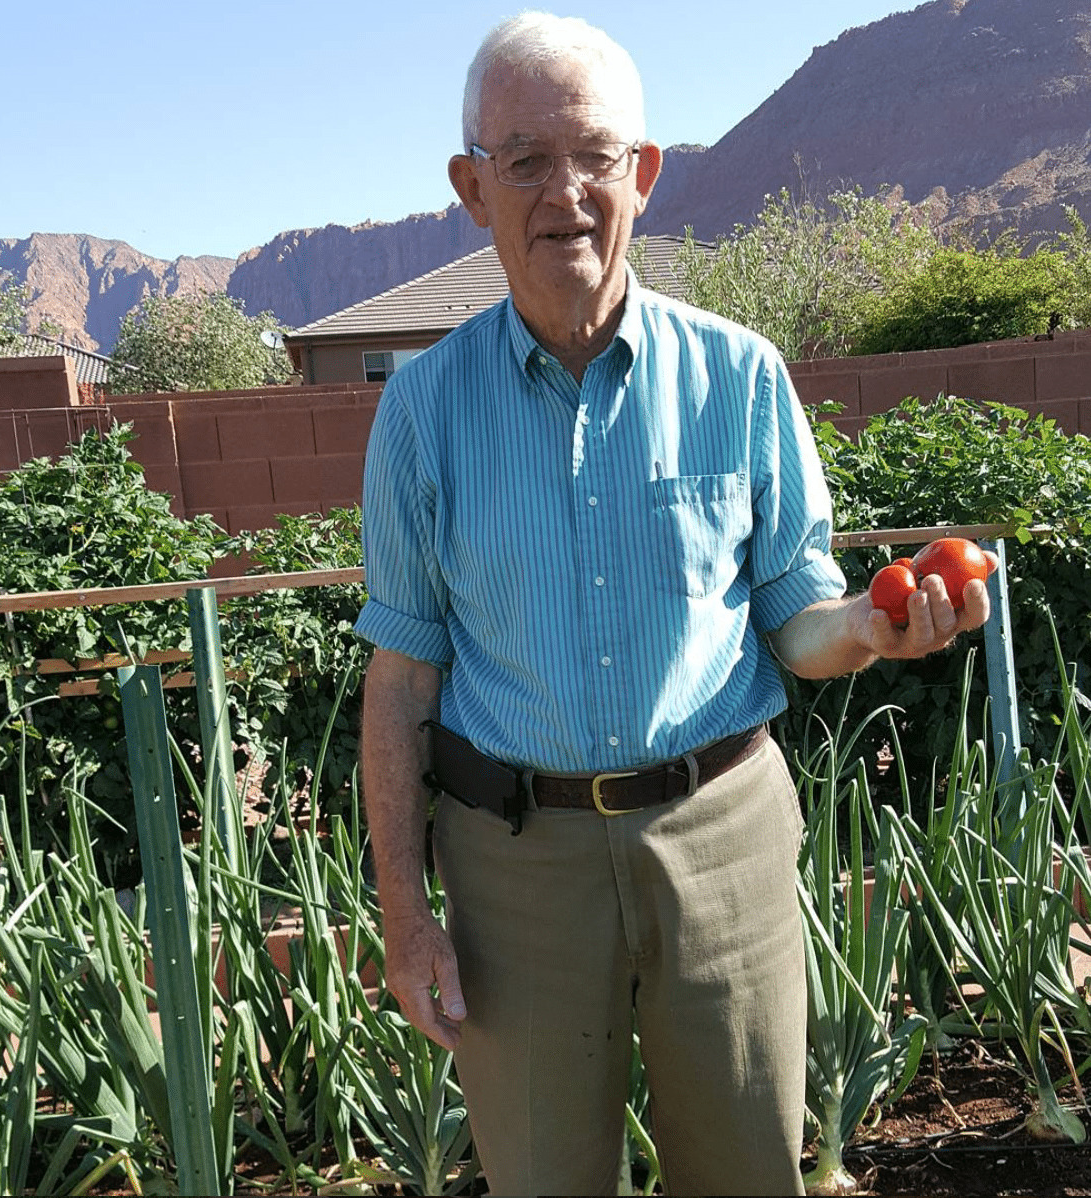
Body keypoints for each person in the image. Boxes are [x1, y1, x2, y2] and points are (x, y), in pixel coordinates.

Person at [354, 12, 995, 1196]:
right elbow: (400, 680)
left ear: (641, 176)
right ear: (471, 188)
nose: (565, 192)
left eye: (595, 154)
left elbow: (795, 614)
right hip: (515, 868)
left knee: (750, 1169)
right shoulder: (420, 412)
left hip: (722, 839)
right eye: (524, 159)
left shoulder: (741, 375)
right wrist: (406, 919)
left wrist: (863, 627)